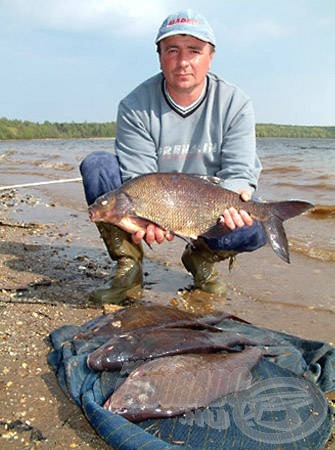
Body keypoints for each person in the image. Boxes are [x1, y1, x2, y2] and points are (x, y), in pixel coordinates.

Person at [80, 9, 267, 305]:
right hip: (158, 204)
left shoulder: (236, 103)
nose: (183, 62)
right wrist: (143, 221)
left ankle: (200, 258)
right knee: (97, 166)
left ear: (210, 56)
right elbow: (137, 181)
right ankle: (128, 269)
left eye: (194, 51)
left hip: (207, 206)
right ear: (159, 56)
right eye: (172, 51)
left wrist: (236, 198)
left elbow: (240, 172)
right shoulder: (134, 105)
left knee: (254, 228)